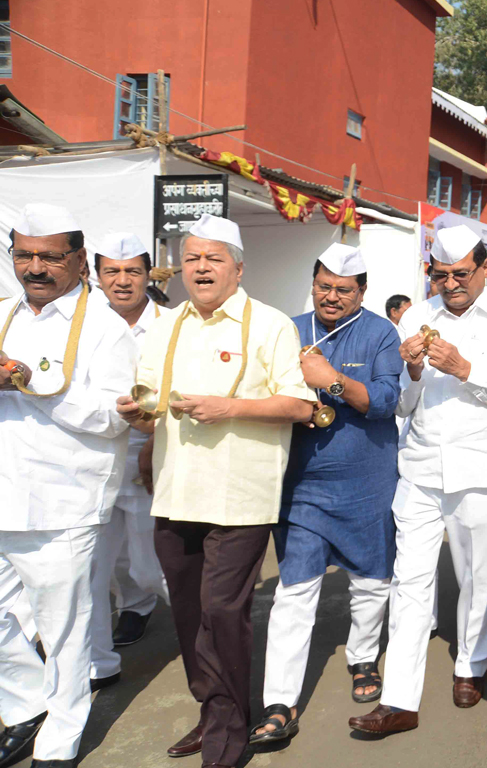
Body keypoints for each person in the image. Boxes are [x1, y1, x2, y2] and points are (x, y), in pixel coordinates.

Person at [116, 213, 314, 768]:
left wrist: (230, 407)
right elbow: (151, 402)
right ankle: (210, 708)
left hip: (240, 495)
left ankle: (228, 734)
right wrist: (138, 414)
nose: (201, 268)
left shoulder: (271, 323)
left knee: (222, 610)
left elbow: (300, 405)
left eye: (214, 258)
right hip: (177, 491)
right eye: (193, 258)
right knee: (185, 610)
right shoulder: (167, 323)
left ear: (238, 267)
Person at [349, 225, 487, 736]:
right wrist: (408, 373)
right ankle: (399, 700)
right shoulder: (415, 316)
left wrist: (464, 367)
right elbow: (404, 408)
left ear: (484, 268)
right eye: (440, 274)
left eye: (460, 274)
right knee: (410, 584)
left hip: (483, 467)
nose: (449, 284)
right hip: (422, 467)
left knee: (479, 578)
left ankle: (470, 665)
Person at [0, 204, 136, 768]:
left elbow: (114, 417)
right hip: (3, 493)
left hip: (63, 501)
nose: (36, 267)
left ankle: (59, 739)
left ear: (80, 261)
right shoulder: (4, 312)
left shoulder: (106, 327)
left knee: (65, 631)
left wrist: (31, 383)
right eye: (24, 254)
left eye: (50, 256)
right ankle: (27, 704)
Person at [251, 242, 402, 744]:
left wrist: (331, 381)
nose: (330, 297)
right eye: (323, 287)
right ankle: (280, 700)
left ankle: (362, 658)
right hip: (302, 487)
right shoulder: (286, 329)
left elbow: (384, 401)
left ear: (362, 292)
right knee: (293, 592)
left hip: (367, 483)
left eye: (342, 290)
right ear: (311, 284)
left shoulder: (382, 333)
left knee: (370, 582)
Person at [88, 232, 171, 690]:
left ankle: (208, 629)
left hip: (149, 463)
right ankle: (100, 661)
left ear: (148, 275)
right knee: (95, 570)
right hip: (95, 464)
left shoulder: (170, 323)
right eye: (112, 272)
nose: (122, 281)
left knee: (148, 566)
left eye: (133, 271)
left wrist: (156, 447)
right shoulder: (82, 325)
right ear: (96, 276)